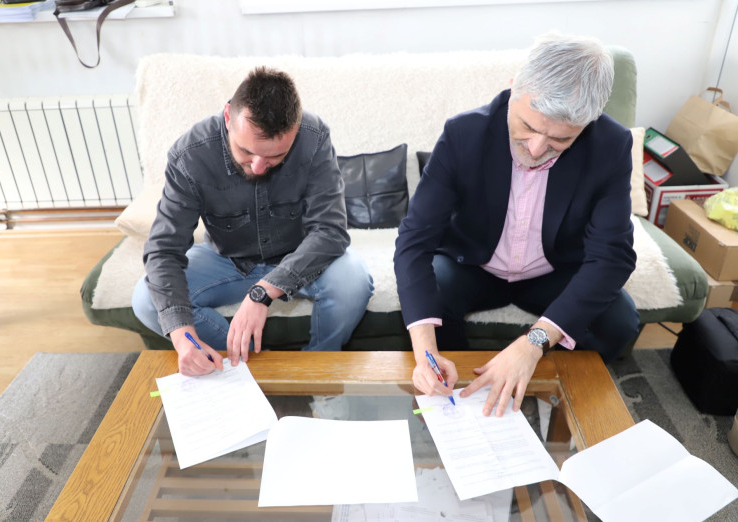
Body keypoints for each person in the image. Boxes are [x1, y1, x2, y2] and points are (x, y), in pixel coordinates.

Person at [394, 33, 638, 417]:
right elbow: (414, 241)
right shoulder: (463, 135)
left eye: (560, 140)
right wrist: (426, 352)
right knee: (428, 298)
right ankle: (457, 393)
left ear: (587, 124)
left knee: (619, 320)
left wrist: (533, 343)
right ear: (513, 89)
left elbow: (612, 258)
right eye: (527, 125)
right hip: (474, 266)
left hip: (553, 271)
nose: (536, 148)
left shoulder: (611, 145)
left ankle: (549, 390)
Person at [133, 66, 373, 376]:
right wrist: (182, 338)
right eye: (246, 151)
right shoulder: (190, 155)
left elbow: (330, 231)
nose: (259, 167)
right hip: (227, 261)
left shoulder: (313, 137)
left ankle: (318, 371)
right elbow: (164, 250)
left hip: (302, 259)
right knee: (146, 299)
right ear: (227, 117)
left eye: (275, 157)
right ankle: (252, 371)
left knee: (353, 279)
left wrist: (263, 291)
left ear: (296, 130)